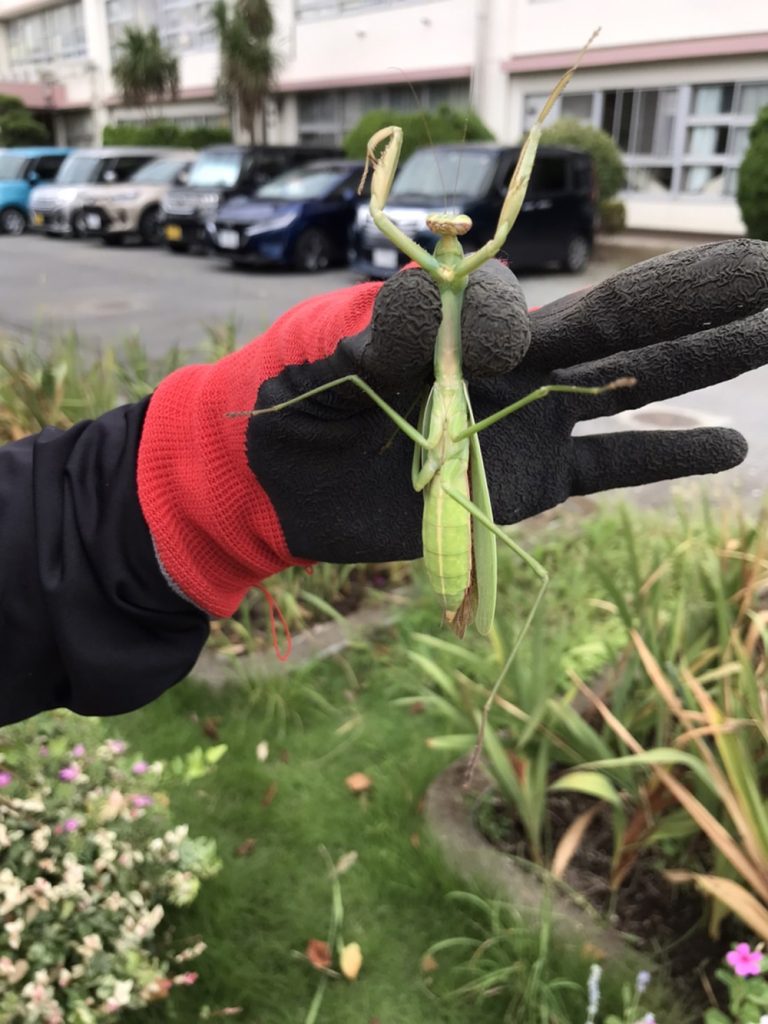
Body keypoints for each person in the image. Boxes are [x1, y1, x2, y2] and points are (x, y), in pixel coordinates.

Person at [1, 239, 767, 727]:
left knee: (518, 547)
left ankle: (493, 674)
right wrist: (234, 449)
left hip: (450, 483)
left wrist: (208, 460)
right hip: (442, 478)